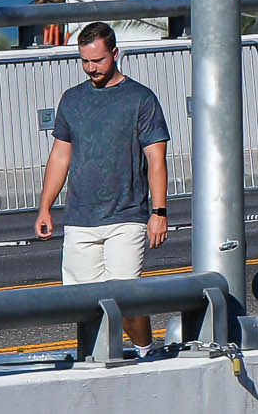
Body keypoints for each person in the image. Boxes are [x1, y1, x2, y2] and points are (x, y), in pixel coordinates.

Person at [35, 21, 170, 357]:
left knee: (126, 301)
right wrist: (45, 208)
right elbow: (60, 156)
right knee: (85, 304)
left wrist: (159, 212)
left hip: (127, 216)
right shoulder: (72, 100)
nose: (91, 68)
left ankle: (145, 352)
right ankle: (99, 361)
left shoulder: (140, 98)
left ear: (115, 53)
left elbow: (156, 159)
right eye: (85, 61)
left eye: (98, 60)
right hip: (80, 219)